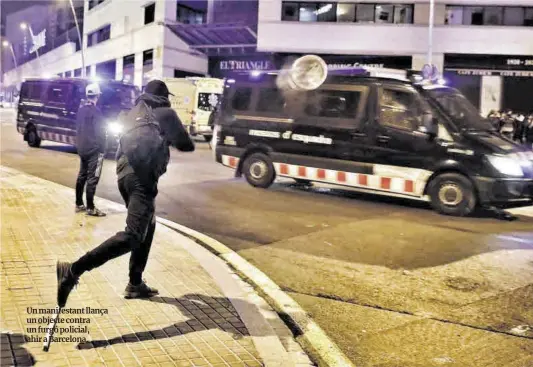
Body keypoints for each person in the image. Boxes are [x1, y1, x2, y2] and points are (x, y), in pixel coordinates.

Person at [57, 80, 195, 307]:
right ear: (163, 96)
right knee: (133, 235)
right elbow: (186, 145)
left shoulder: (131, 113)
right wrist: (171, 134)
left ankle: (135, 283)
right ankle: (72, 270)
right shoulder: (165, 113)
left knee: (148, 225)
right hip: (142, 180)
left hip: (123, 177)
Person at [75, 83, 107, 217]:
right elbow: (100, 132)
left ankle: (79, 203)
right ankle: (90, 207)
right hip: (95, 150)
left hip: (82, 148)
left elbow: (78, 129)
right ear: (98, 95)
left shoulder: (81, 110)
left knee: (82, 175)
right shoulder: (96, 112)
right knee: (93, 178)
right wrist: (102, 149)